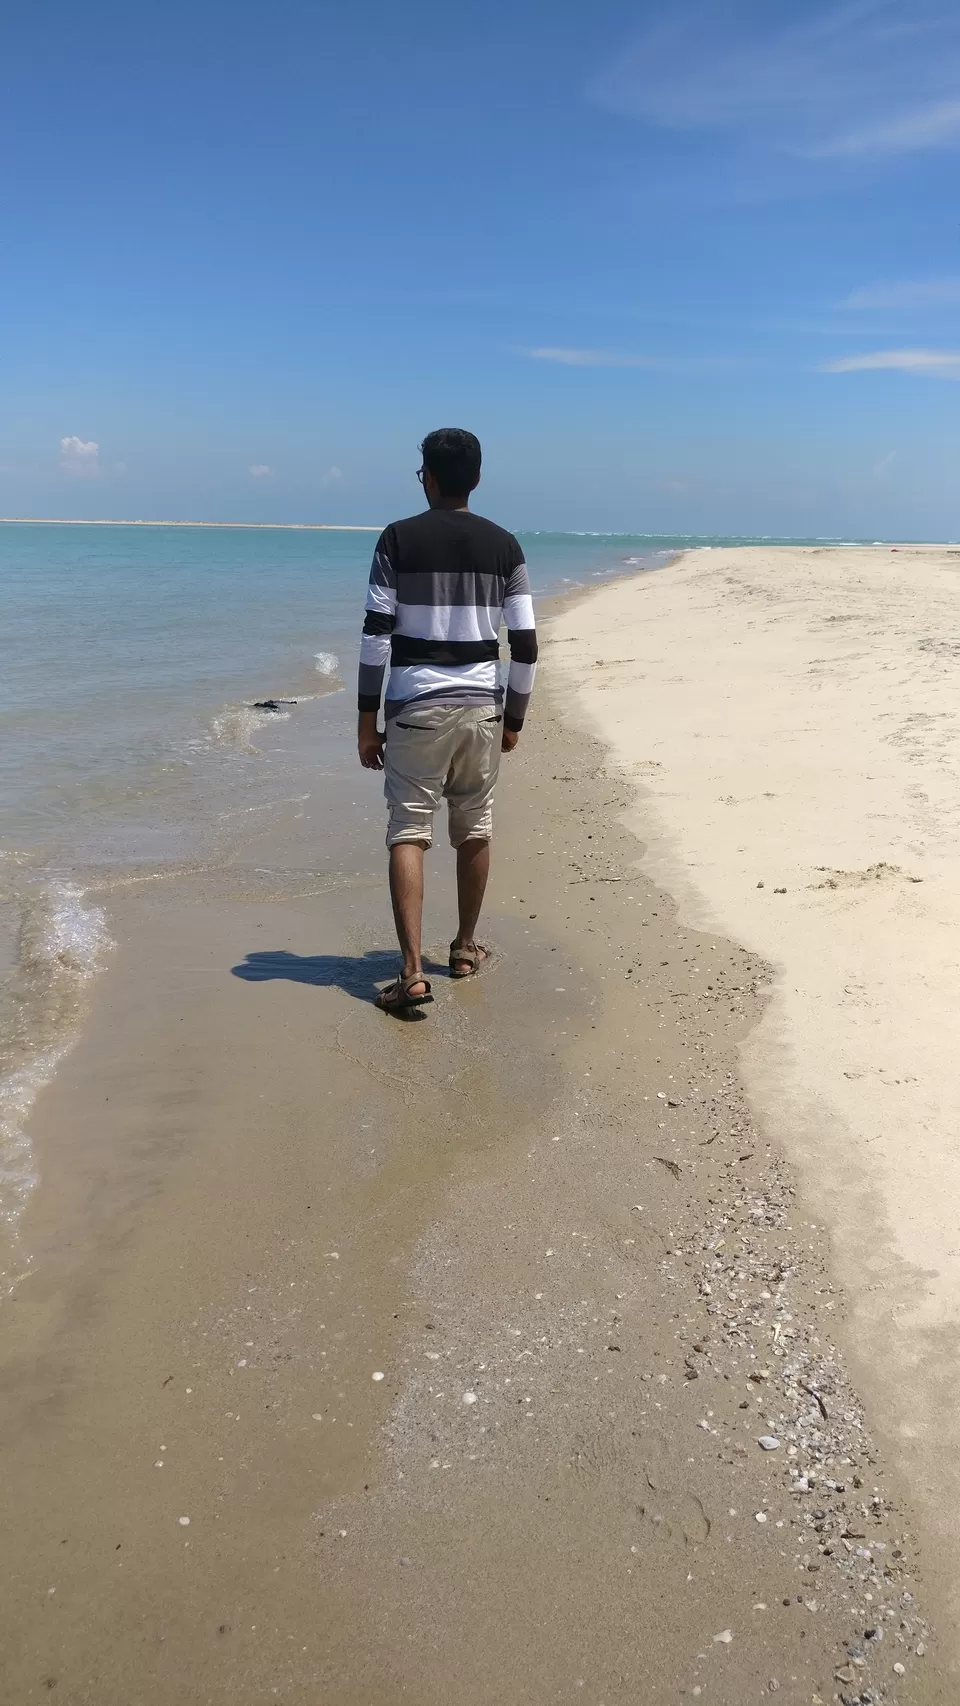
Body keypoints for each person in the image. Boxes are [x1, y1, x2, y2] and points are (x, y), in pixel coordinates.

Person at [357, 427, 538, 1012]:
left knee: (408, 831)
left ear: (428, 478)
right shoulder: (505, 546)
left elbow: (375, 637)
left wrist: (366, 719)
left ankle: (411, 973)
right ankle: (463, 948)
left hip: (415, 707)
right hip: (483, 705)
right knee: (474, 826)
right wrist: (513, 717)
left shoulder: (396, 539)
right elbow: (528, 645)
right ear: (476, 479)